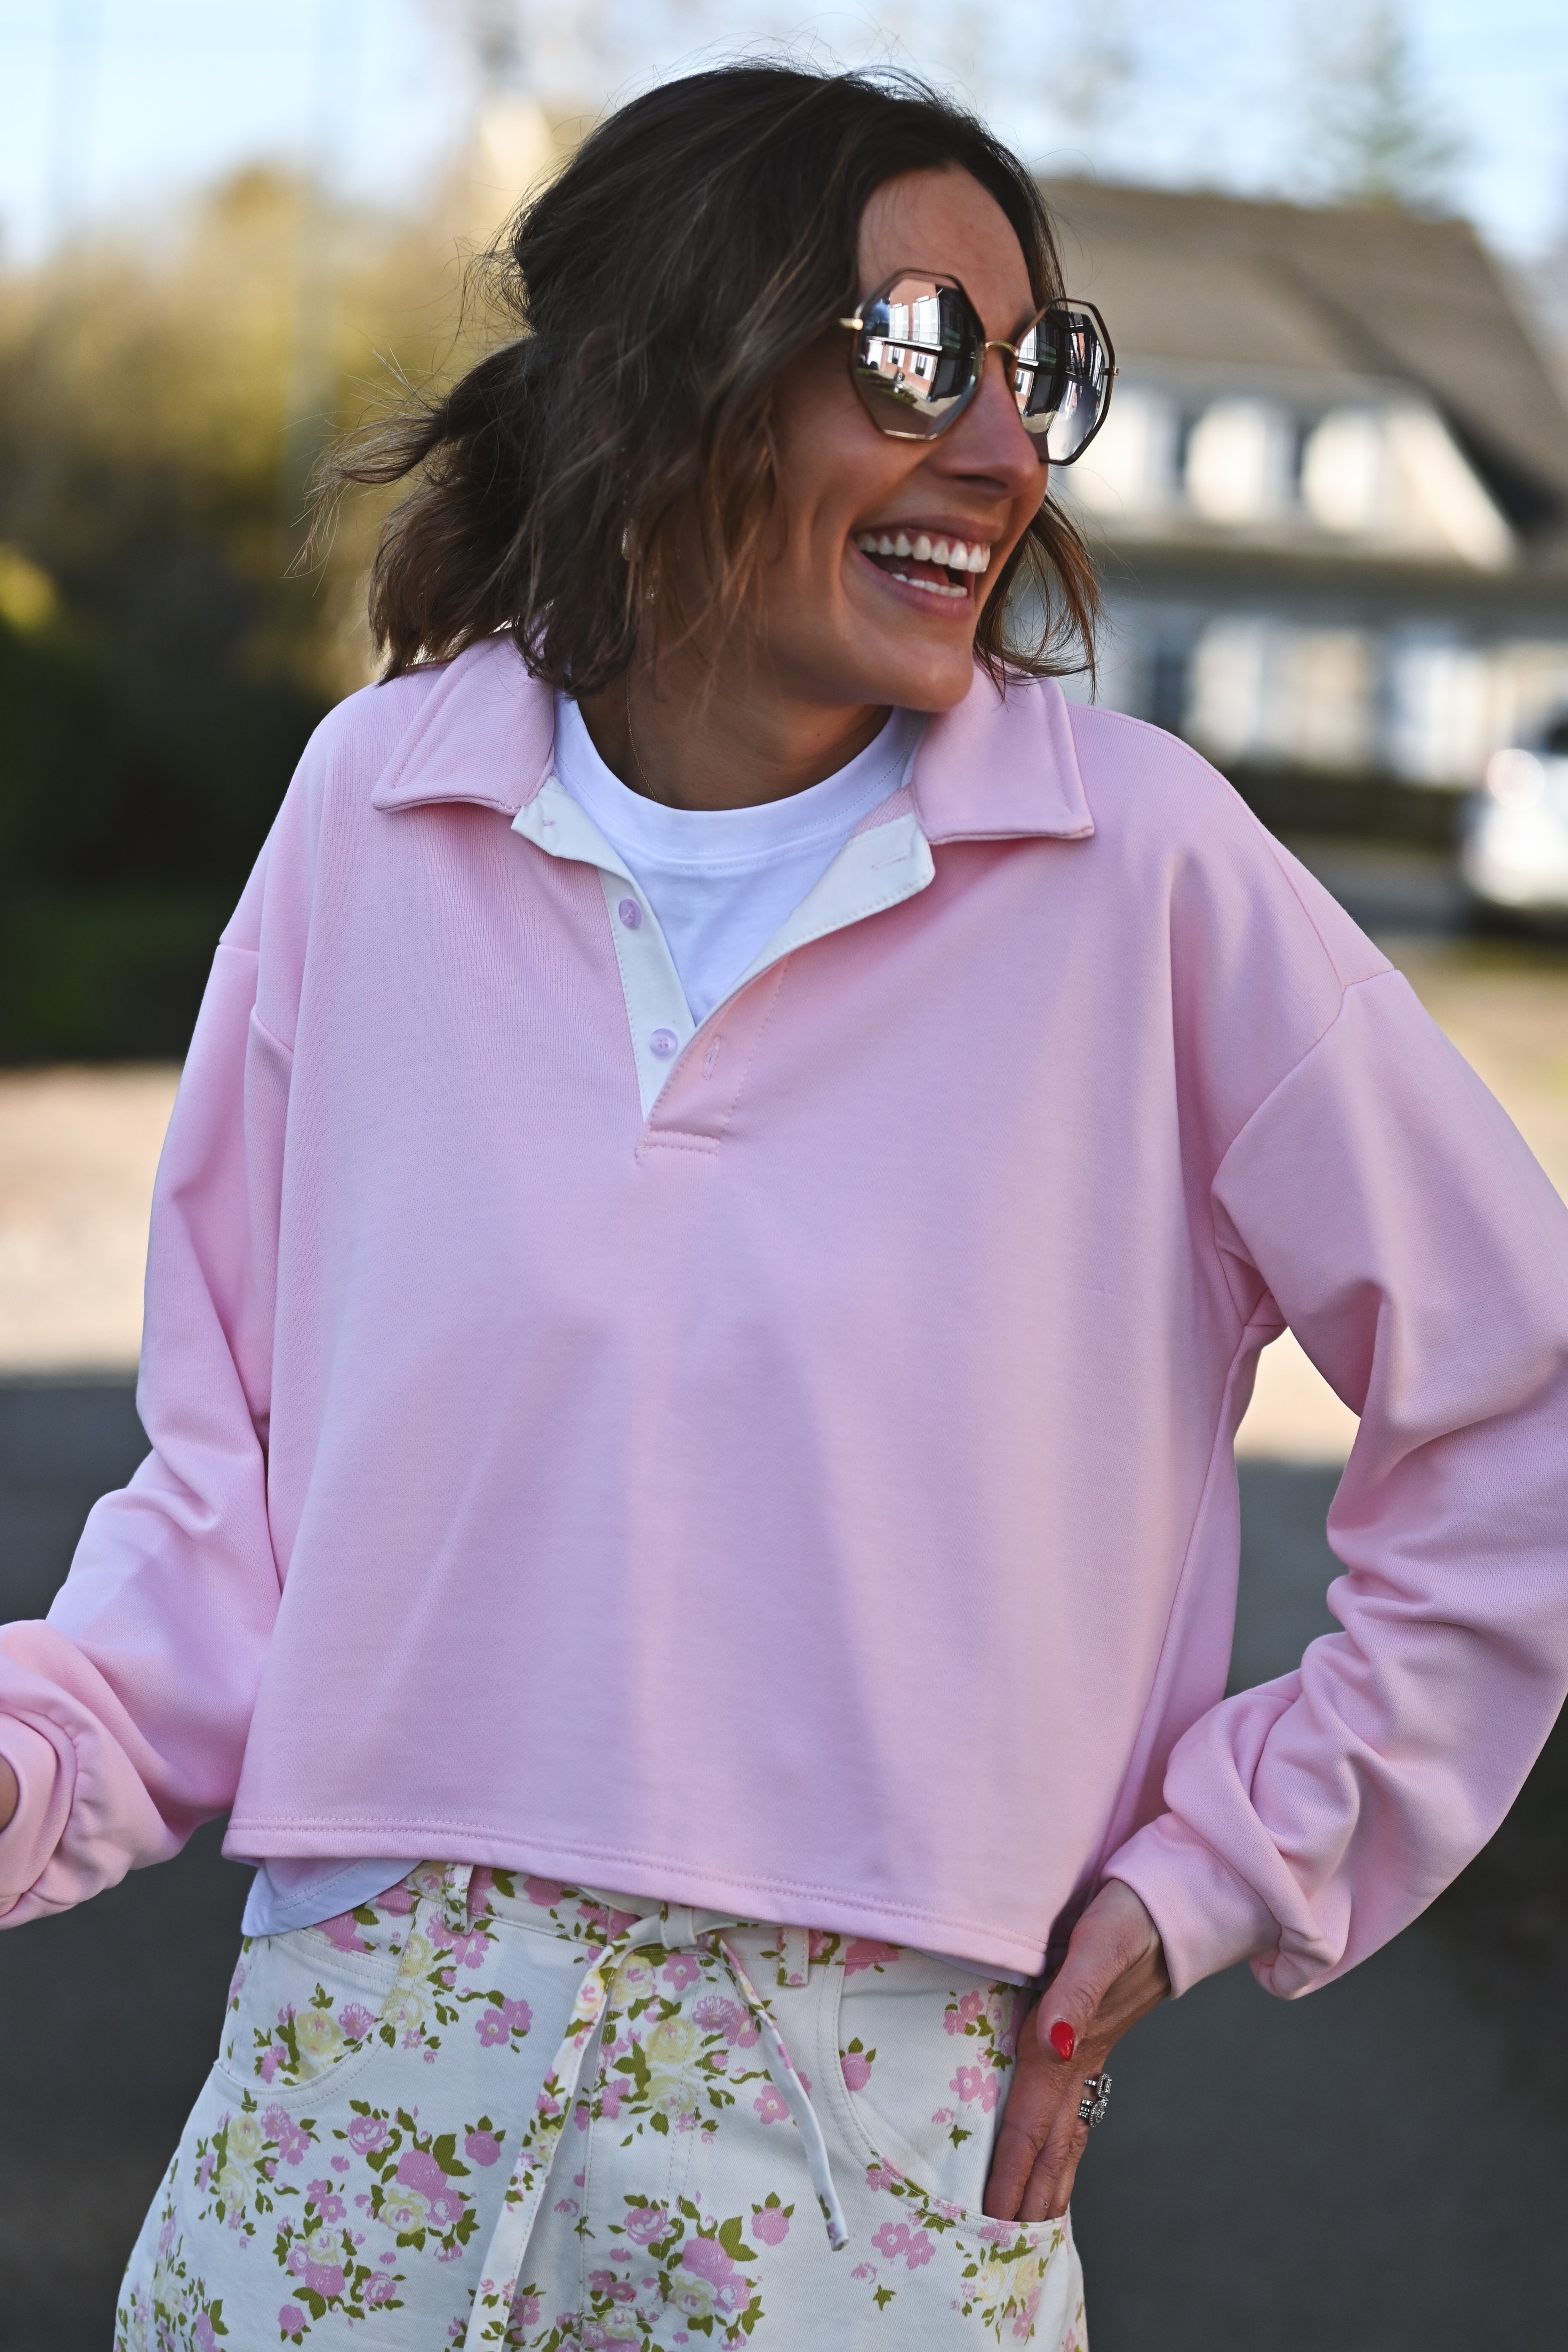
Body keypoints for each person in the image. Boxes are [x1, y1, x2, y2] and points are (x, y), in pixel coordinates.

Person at [3, 62, 1566, 2352]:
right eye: (921, 354)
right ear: (660, 372)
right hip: (348, 2112)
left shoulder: (1148, 879)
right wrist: (42, 1754)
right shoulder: (371, 812)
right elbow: (229, 1486)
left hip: (867, 2167)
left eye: (1041, 373)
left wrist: (1238, 1857)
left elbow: (1522, 1405)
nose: (1003, 448)